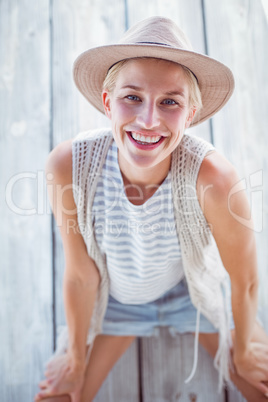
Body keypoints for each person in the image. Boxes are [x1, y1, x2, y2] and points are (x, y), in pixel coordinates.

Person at [35, 16, 268, 402]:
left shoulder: (214, 179)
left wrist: (243, 351)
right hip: (115, 303)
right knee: (60, 395)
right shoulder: (68, 166)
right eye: (132, 97)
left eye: (170, 102)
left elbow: (243, 279)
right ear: (108, 102)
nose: (148, 119)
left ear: (191, 113)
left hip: (192, 297)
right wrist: (75, 357)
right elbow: (80, 273)